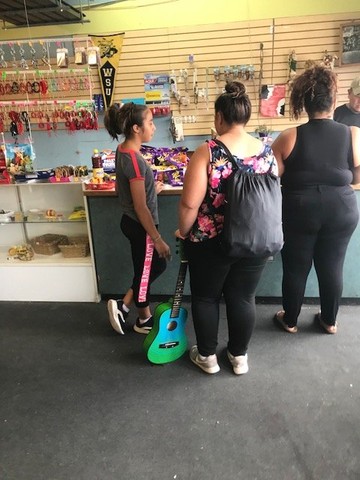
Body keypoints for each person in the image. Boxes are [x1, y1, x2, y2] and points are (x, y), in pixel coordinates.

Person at [177, 81, 278, 375]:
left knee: (207, 297)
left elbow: (189, 205)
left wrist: (184, 232)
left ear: (220, 117)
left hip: (211, 240)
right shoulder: (267, 153)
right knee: (244, 297)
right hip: (255, 239)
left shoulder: (208, 152)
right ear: (245, 117)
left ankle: (207, 357)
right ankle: (238, 357)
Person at [272, 66, 360, 335]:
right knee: (333, 264)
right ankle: (329, 321)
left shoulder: (288, 136)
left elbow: (273, 178)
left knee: (296, 267)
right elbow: (357, 176)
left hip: (299, 209)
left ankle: (290, 320)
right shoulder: (353, 133)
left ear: (303, 104)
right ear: (334, 101)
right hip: (341, 208)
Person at [104, 102, 171, 335]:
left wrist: (153, 189)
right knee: (148, 271)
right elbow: (141, 206)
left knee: (148, 269)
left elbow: (121, 190)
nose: (153, 127)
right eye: (150, 123)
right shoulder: (133, 159)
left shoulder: (123, 151)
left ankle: (125, 306)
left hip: (132, 222)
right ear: (136, 128)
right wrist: (157, 238)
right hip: (141, 225)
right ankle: (140, 318)